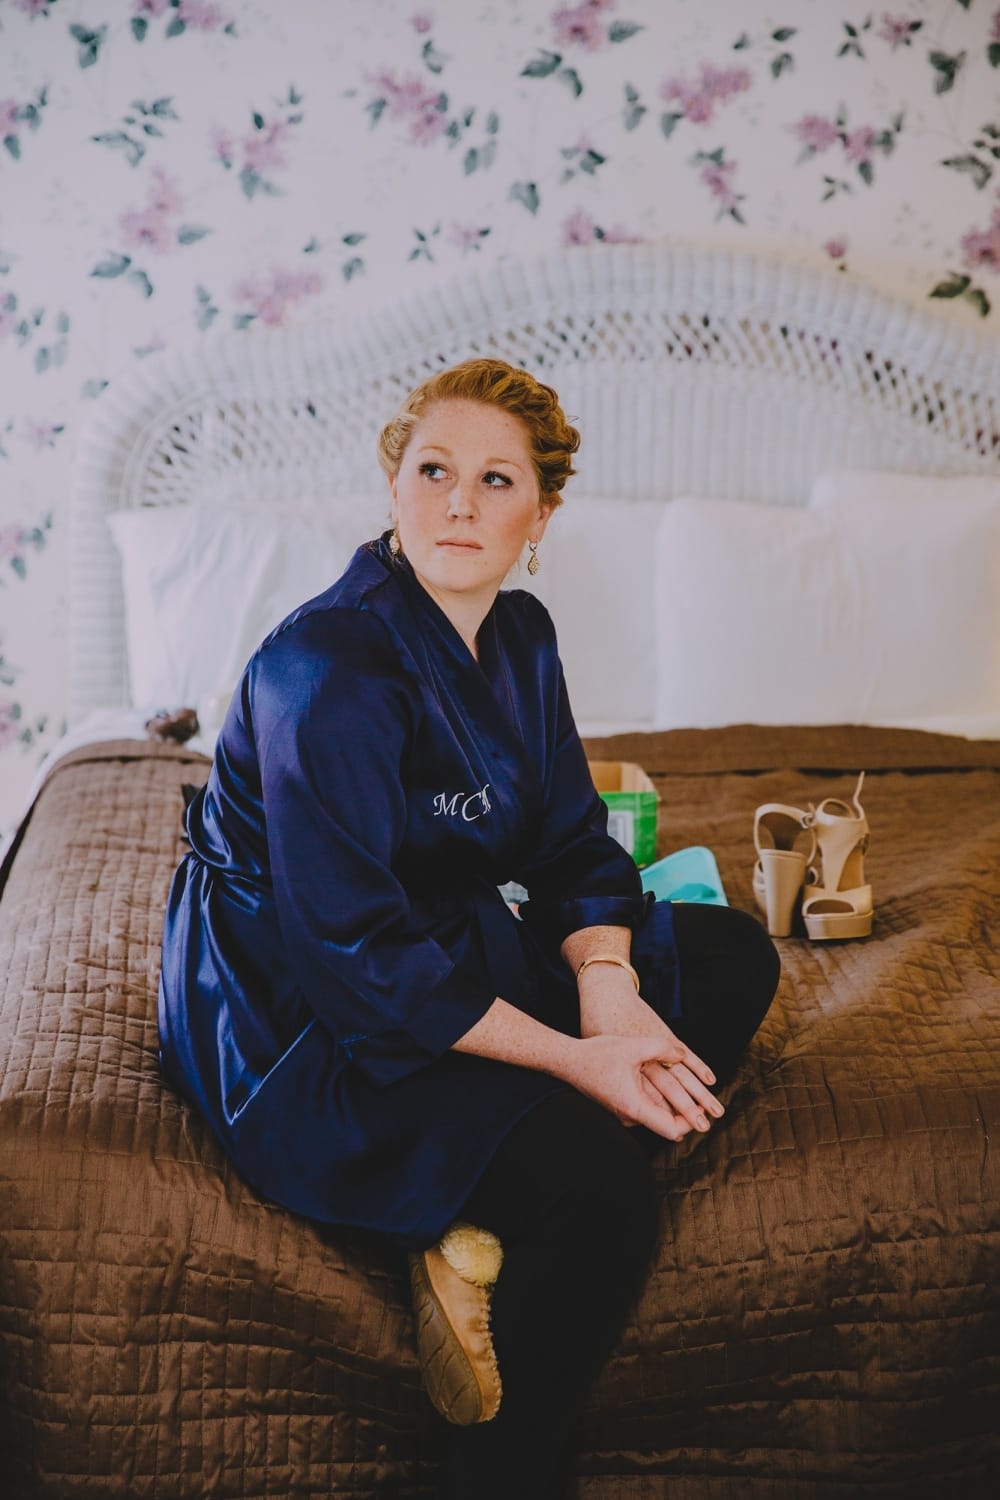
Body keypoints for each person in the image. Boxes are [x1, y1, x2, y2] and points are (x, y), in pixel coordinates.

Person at [158, 357, 780, 1498]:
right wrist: (579, 1062)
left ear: (540, 516)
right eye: (434, 470)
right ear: (394, 486)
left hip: (435, 936)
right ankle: (496, 1476)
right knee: (600, 1193)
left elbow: (571, 844)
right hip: (300, 1000)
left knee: (735, 954)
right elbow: (355, 952)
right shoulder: (324, 669)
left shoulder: (524, 635)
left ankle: (466, 1236)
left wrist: (608, 994)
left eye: (497, 481)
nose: (459, 502)